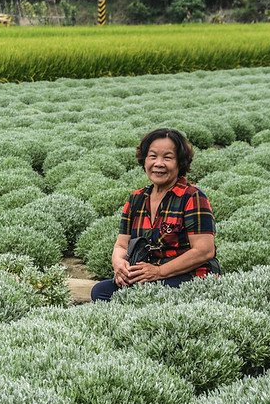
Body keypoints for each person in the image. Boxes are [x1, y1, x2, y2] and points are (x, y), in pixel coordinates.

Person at [90, 128, 217, 302]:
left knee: (151, 298)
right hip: (147, 275)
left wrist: (158, 272)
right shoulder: (136, 198)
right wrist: (119, 265)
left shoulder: (192, 196)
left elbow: (204, 251)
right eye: (153, 156)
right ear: (144, 161)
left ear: (180, 163)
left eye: (167, 157)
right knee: (101, 291)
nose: (159, 163)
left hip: (189, 276)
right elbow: (121, 245)